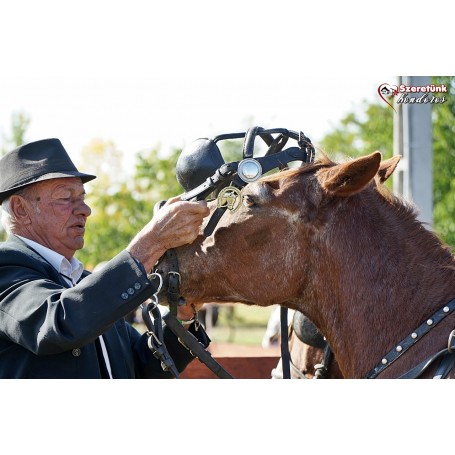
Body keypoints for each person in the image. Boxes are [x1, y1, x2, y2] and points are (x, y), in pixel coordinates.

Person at [0, 138, 210, 379]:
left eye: (82, 197)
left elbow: (141, 365)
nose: (85, 210)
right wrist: (151, 243)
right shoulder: (6, 267)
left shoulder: (85, 283)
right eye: (66, 198)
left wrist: (181, 317)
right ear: (20, 210)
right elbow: (58, 324)